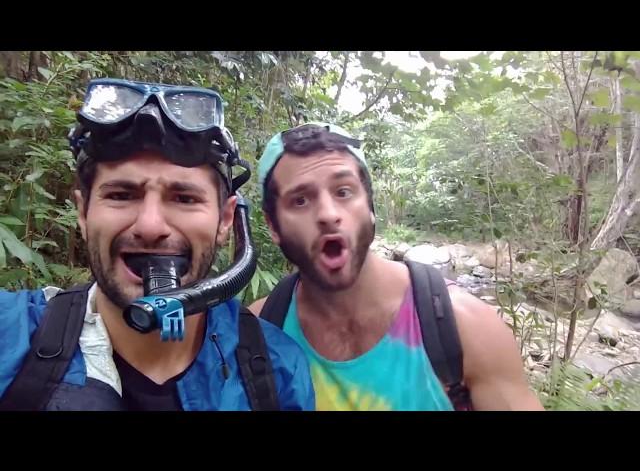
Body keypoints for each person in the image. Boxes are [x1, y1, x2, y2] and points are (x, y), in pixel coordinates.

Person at [0, 78, 314, 411]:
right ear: (83, 213)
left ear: (225, 220)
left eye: (184, 198)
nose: (150, 226)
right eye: (121, 195)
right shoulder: (9, 333)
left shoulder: (279, 371)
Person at [249, 122, 544, 411]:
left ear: (370, 205)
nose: (328, 214)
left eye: (343, 192)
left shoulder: (466, 325)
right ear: (273, 225)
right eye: (300, 200)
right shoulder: (257, 334)